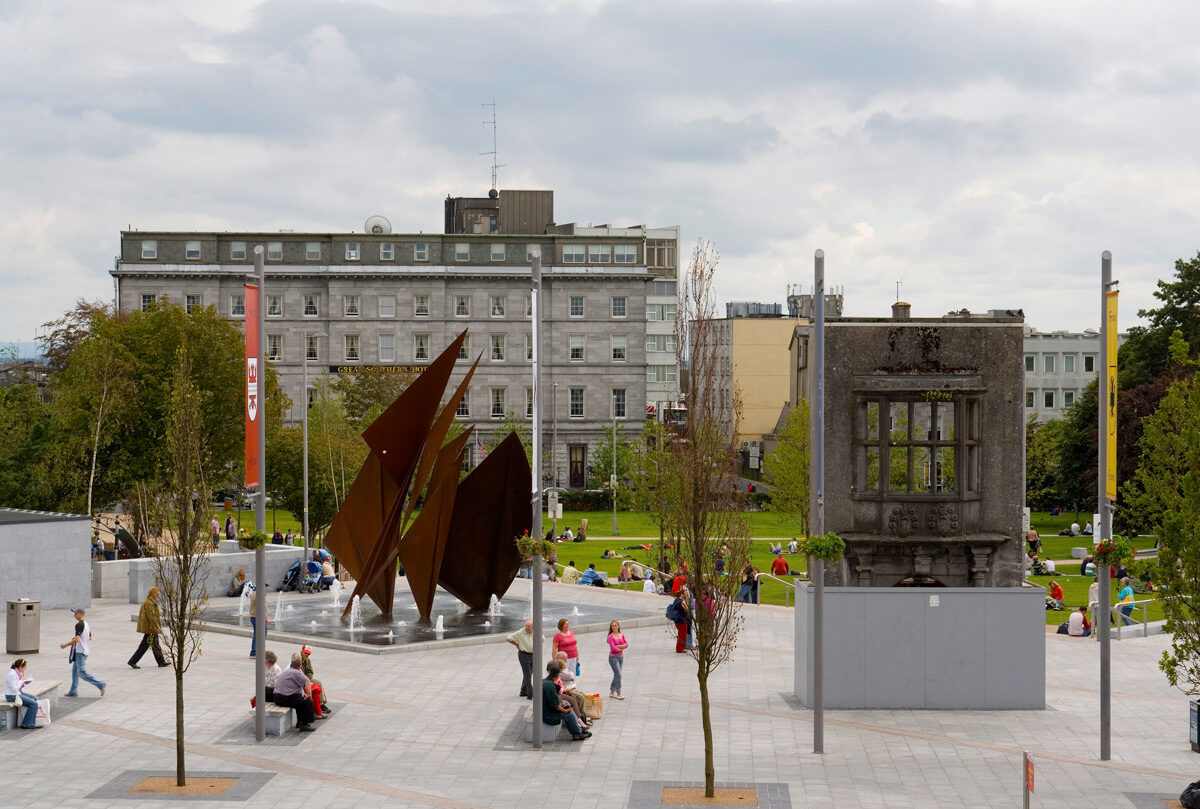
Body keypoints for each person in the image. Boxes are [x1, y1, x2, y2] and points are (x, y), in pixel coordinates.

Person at [60, 608, 106, 697]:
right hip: (84, 650)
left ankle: (100, 684)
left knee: (81, 672)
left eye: (76, 613)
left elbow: (77, 639)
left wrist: (65, 645)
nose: (74, 615)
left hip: (81, 652)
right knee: (75, 671)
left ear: (81, 614)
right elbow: (89, 637)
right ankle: (73, 691)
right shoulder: (86, 624)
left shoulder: (79, 625)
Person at [542, 662, 590, 740]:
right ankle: (577, 733)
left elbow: (557, 697)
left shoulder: (547, 681)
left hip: (546, 708)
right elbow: (555, 705)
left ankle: (579, 730)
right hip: (548, 713)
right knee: (569, 715)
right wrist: (564, 710)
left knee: (568, 705)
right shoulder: (550, 686)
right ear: (558, 675)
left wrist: (563, 703)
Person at [272, 654, 315, 732]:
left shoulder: (287, 671)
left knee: (300, 701)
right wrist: (309, 694)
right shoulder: (296, 672)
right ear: (299, 666)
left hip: (277, 697)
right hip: (284, 698)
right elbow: (307, 681)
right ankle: (305, 724)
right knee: (308, 702)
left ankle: (300, 722)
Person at [128, 587, 168, 669]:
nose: (158, 595)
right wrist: (156, 627)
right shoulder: (149, 603)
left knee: (155, 644)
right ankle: (132, 661)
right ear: (152, 594)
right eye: (157, 593)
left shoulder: (150, 602)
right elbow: (151, 617)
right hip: (150, 628)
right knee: (144, 645)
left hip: (151, 628)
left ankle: (161, 662)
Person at [553, 652, 590, 727]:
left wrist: (563, 689)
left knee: (576, 696)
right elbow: (569, 676)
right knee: (575, 698)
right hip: (560, 693)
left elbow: (570, 675)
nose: (566, 661)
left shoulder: (558, 672)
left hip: (564, 690)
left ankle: (580, 717)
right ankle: (579, 719)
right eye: (565, 659)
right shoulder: (556, 672)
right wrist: (564, 690)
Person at [5, 659, 39, 729]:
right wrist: (21, 680)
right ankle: (27, 723)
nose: (25, 669)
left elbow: (17, 686)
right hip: (12, 695)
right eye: (24, 667)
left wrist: (25, 682)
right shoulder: (12, 674)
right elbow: (14, 688)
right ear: (21, 667)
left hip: (17, 693)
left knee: (36, 698)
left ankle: (31, 721)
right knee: (34, 704)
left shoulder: (16, 673)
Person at [506, 619, 536, 699]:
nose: (527, 627)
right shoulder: (520, 632)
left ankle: (523, 691)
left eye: (529, 626)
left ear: (533, 626)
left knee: (529, 673)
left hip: (533, 655)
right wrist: (516, 644)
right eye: (526, 625)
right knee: (527, 673)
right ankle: (530, 694)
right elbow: (508, 638)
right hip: (523, 654)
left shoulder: (536, 631)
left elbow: (542, 639)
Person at [299, 644, 331, 717]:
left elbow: (310, 671)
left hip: (307, 678)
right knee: (314, 686)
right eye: (305, 653)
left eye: (308, 654)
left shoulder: (308, 661)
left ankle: (322, 704)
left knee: (319, 683)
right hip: (301, 680)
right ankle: (319, 705)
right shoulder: (298, 660)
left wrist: (308, 678)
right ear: (301, 652)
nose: (307, 655)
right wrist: (306, 679)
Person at [607, 619, 628, 700]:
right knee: (618, 674)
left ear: (618, 626)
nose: (614, 627)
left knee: (617, 675)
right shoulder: (610, 637)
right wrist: (621, 646)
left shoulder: (621, 634)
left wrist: (619, 647)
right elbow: (613, 649)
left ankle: (612, 692)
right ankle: (618, 693)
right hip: (613, 658)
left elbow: (626, 644)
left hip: (621, 657)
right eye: (612, 626)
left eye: (615, 625)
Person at [248, 587, 270, 658]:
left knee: (256, 634)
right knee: (262, 635)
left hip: (253, 617)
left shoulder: (254, 593)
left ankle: (254, 652)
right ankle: (256, 652)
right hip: (259, 618)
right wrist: (267, 619)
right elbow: (263, 608)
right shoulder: (260, 595)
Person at [667, 589, 691, 653]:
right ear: (682, 594)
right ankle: (680, 649)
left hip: (677, 620)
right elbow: (687, 610)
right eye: (686, 593)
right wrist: (686, 605)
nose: (687, 594)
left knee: (681, 634)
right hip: (682, 620)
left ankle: (681, 648)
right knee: (682, 635)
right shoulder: (682, 602)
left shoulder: (676, 600)